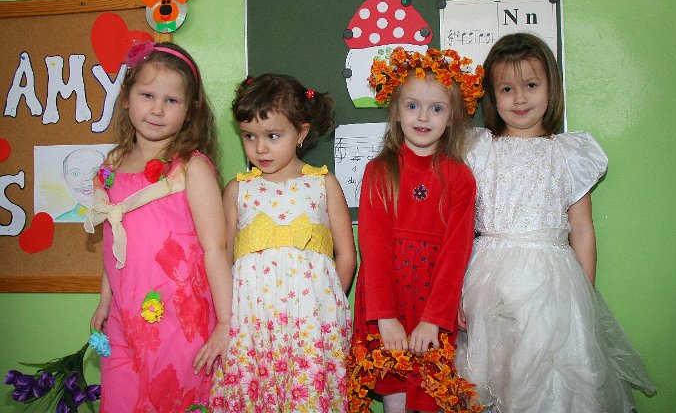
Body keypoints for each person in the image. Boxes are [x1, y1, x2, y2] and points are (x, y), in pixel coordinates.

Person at [455, 33, 656, 412]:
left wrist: (584, 293)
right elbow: (460, 225)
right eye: (507, 89)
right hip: (487, 280)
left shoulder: (569, 154)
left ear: (551, 88)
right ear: (492, 97)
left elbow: (582, 228)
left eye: (531, 85)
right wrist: (454, 292)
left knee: (549, 375)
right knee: (497, 370)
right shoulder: (478, 149)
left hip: (552, 281)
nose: (519, 98)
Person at [85, 42, 232, 412]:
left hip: (180, 324)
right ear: (126, 97)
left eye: (171, 100)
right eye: (147, 95)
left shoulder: (191, 169)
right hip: (124, 322)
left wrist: (226, 324)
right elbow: (114, 242)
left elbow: (216, 250)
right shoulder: (111, 167)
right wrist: (105, 300)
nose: (157, 109)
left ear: (191, 110)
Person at [209, 74, 357, 412]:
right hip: (253, 323)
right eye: (249, 136)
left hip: (310, 325)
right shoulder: (238, 190)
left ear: (301, 133)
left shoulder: (323, 184)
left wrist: (326, 304)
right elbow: (223, 259)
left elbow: (346, 256)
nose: (260, 148)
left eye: (272, 136)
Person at [351, 48, 481, 412]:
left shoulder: (460, 178)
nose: (423, 117)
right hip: (386, 303)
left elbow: (456, 255)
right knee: (394, 391)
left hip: (432, 302)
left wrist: (434, 321)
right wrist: (385, 316)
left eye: (436, 108)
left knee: (430, 396)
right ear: (396, 111)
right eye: (412, 106)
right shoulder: (379, 171)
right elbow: (373, 250)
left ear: (452, 117)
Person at [55, 147, 105, 222]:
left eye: (96, 172)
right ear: (65, 178)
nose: (86, 179)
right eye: (75, 174)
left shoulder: (116, 215)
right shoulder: (62, 221)